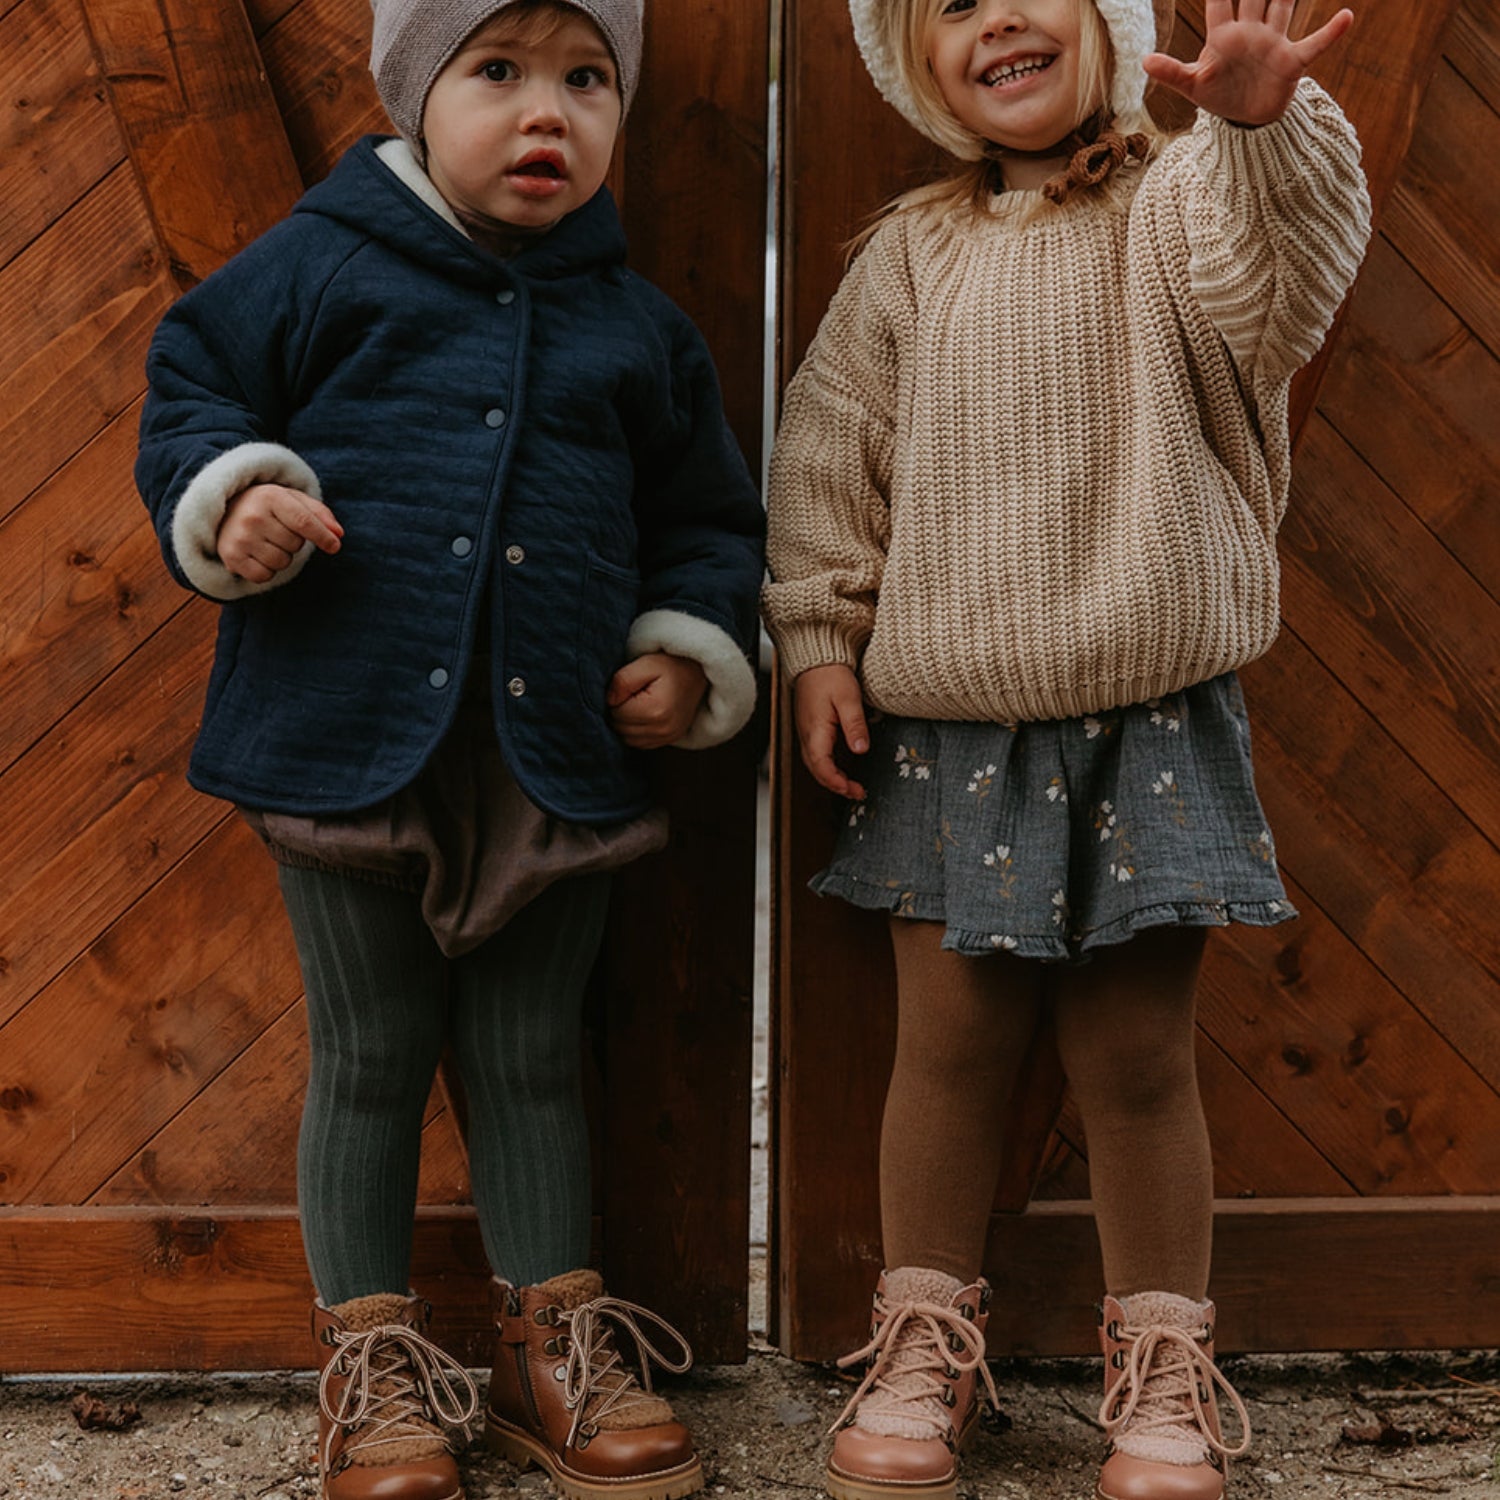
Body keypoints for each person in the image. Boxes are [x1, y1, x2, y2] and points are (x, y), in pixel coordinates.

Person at [135, 1, 764, 1496]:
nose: (545, 112)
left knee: (533, 1056)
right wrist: (235, 499)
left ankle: (553, 1347)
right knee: (367, 1054)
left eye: (585, 80)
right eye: (498, 73)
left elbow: (710, 523)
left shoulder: (639, 327)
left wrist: (687, 647)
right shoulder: (322, 260)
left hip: (554, 767)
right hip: (347, 739)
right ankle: (372, 1369)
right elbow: (191, 385)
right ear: (418, 92)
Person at [762, 0, 1369, 1496]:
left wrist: (1258, 122)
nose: (994, 20)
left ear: (1106, 21)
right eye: (948, 8)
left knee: (1138, 1058)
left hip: (1150, 708)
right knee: (950, 1051)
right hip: (951, 721)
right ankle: (922, 1344)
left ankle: (1165, 1367)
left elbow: (1285, 275)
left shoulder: (1183, 202)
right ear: (919, 67)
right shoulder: (910, 254)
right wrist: (820, 638)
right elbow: (832, 449)